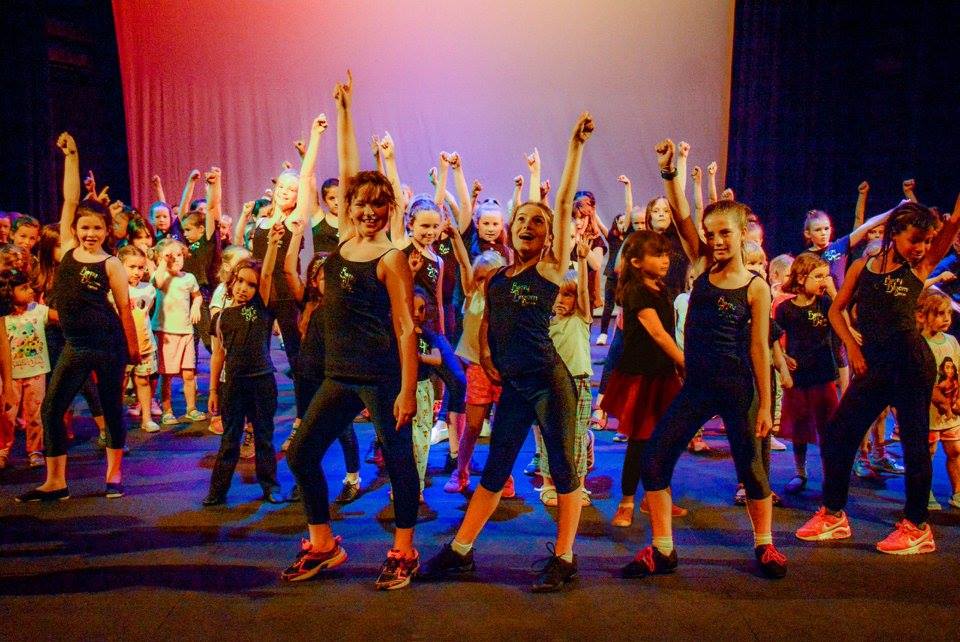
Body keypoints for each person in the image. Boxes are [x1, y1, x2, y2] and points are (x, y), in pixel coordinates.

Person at [419, 111, 595, 593]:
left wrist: (574, 147)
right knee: (495, 469)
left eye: (537, 222)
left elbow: (559, 202)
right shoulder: (496, 278)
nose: (528, 225)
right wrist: (491, 363)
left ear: (548, 233)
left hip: (548, 382)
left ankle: (565, 558)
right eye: (522, 220)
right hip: (514, 387)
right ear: (510, 229)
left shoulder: (552, 269)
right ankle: (460, 552)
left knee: (562, 469)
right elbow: (489, 332)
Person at [284, 72, 420, 590]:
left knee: (399, 459)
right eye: (358, 203)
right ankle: (323, 545)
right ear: (347, 207)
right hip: (339, 376)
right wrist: (343, 110)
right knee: (300, 453)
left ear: (388, 211)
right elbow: (346, 165)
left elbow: (406, 329)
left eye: (376, 204)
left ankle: (403, 552)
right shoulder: (341, 239)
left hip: (383, 378)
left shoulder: (391, 258)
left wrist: (408, 389)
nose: (366, 210)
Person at [626, 139, 785, 580]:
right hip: (696, 386)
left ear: (743, 234)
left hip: (739, 390)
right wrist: (669, 172)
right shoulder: (699, 264)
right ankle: (662, 548)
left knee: (752, 472)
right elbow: (679, 214)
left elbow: (758, 348)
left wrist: (766, 406)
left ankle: (765, 545)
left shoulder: (756, 286)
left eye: (724, 233)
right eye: (711, 233)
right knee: (655, 460)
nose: (715, 240)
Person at [796, 196, 960, 554]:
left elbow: (953, 224)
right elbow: (837, 312)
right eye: (915, 239)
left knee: (916, 445)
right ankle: (834, 514)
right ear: (894, 233)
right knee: (839, 435)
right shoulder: (862, 266)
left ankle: (917, 526)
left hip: (911, 366)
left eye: (927, 241)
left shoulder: (919, 268)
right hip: (872, 366)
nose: (922, 248)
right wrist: (853, 350)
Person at [15, 132, 138, 502]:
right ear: (75, 230)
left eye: (97, 228)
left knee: (112, 407)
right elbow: (71, 198)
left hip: (107, 344)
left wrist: (133, 348)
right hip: (75, 345)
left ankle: (114, 473)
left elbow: (125, 309)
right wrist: (73, 156)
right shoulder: (67, 249)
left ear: (107, 232)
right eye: (85, 227)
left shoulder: (111, 264)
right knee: (52, 407)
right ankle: (56, 481)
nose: (89, 233)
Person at [603, 230, 687, 527]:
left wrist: (675, 366)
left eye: (666, 254)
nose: (665, 260)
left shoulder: (660, 286)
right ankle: (626, 502)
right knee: (639, 441)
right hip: (641, 376)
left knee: (664, 440)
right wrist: (684, 362)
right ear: (637, 262)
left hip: (662, 375)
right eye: (657, 255)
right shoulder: (636, 290)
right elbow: (657, 334)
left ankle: (656, 496)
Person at [279, 225, 361, 503]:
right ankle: (306, 478)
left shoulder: (346, 304)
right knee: (307, 431)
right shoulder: (308, 303)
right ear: (313, 281)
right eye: (322, 277)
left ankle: (353, 479)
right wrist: (295, 237)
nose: (327, 282)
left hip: (334, 376)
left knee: (343, 429)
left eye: (332, 277)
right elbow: (289, 270)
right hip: (307, 377)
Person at [204, 226, 284, 506]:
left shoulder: (262, 308)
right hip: (233, 385)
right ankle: (217, 491)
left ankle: (271, 486)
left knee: (264, 438)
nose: (243, 288)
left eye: (250, 284)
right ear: (231, 281)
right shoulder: (223, 317)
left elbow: (267, 273)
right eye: (240, 281)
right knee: (230, 440)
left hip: (262, 382)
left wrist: (272, 244)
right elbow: (218, 355)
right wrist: (214, 390)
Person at [536, 239, 596, 507]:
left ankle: (578, 486)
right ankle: (549, 483)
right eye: (557, 294)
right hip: (552, 385)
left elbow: (583, 292)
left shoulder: (580, 318)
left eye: (567, 295)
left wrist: (582, 261)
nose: (561, 300)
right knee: (552, 435)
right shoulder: (544, 324)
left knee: (577, 436)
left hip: (579, 383)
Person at [774, 253, 837, 494]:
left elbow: (843, 317)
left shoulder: (825, 303)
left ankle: (830, 474)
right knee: (800, 428)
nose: (824, 280)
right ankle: (800, 472)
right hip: (799, 376)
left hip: (823, 374)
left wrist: (832, 290)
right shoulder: (785, 309)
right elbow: (774, 337)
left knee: (828, 428)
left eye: (826, 275)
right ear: (801, 278)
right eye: (819, 276)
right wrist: (783, 357)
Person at [0, 267, 57, 469]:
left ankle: (35, 449)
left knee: (35, 414)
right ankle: (3, 449)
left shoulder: (38, 310)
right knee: (6, 415)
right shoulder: (4, 318)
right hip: (11, 374)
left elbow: (59, 318)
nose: (30, 291)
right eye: (24, 288)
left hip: (36, 372)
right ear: (9, 292)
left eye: (29, 287)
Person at [152, 238, 204, 425]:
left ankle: (191, 408)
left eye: (179, 255)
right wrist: (163, 262)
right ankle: (167, 409)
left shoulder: (189, 278)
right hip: (166, 332)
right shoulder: (162, 276)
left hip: (186, 331)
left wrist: (195, 307)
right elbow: (157, 282)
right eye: (170, 257)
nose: (176, 259)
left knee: (189, 372)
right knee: (167, 374)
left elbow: (197, 297)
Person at [916, 289, 960, 510]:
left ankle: (958, 491)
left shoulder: (952, 341)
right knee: (928, 453)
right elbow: (920, 380)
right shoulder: (919, 344)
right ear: (922, 315)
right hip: (929, 411)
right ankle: (925, 492)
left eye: (949, 315)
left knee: (955, 450)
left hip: (951, 410)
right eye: (940, 314)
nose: (946, 319)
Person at [116, 245, 160, 433]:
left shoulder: (149, 289)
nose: (137, 272)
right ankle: (114, 421)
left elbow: (145, 313)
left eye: (141, 268)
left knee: (143, 381)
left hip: (144, 345)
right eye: (132, 267)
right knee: (120, 383)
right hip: (121, 347)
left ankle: (147, 418)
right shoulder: (114, 290)